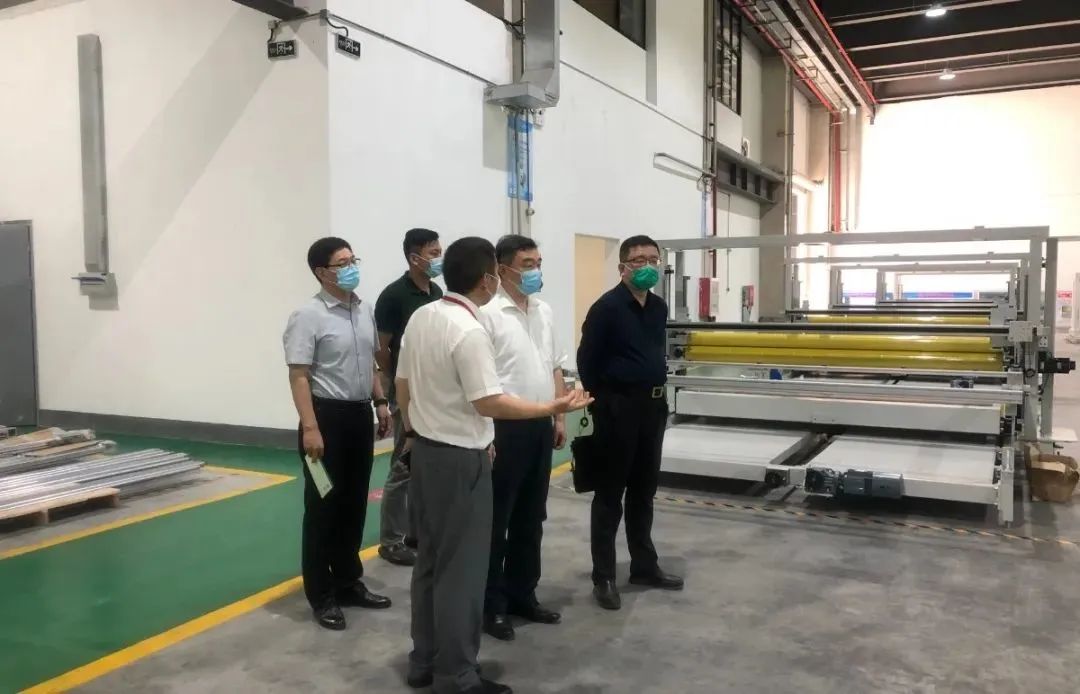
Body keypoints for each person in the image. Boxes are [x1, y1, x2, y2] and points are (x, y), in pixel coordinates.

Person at [395, 237, 593, 694]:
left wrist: (413, 433)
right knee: (462, 573)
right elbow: (488, 402)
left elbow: (402, 384)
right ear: (490, 278)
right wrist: (553, 408)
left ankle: (424, 659)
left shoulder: (424, 316)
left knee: (431, 564)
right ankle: (457, 674)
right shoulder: (469, 329)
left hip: (426, 452)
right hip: (460, 458)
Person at [283, 237, 394, 631]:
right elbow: (299, 375)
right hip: (325, 420)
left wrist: (380, 403)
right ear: (321, 272)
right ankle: (321, 594)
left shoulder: (362, 310)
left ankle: (348, 582)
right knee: (323, 507)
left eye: (353, 260)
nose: (351, 268)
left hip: (359, 417)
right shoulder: (307, 316)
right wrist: (311, 427)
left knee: (353, 504)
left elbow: (371, 363)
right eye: (342, 263)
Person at [576, 234, 684, 611]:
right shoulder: (606, 308)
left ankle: (644, 566)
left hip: (653, 409)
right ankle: (604, 576)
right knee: (609, 495)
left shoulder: (658, 307)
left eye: (652, 259)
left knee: (643, 492)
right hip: (617, 409)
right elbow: (587, 361)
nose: (646, 266)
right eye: (638, 260)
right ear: (622, 266)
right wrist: (605, 402)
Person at [476, 235, 566, 642]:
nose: (536, 271)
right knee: (498, 521)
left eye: (538, 263)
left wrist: (558, 414)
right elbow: (483, 382)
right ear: (502, 269)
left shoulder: (544, 311)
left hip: (540, 425)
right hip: (504, 429)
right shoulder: (487, 315)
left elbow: (555, 366)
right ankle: (491, 605)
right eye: (528, 264)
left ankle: (522, 594)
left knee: (532, 517)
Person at [374, 228, 444, 567]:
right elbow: (381, 349)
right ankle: (390, 541)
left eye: (439, 252)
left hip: (434, 391)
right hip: (408, 394)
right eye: (433, 253)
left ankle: (417, 533)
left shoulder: (436, 292)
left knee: (425, 466)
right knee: (403, 465)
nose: (438, 259)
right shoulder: (393, 296)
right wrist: (398, 383)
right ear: (414, 258)